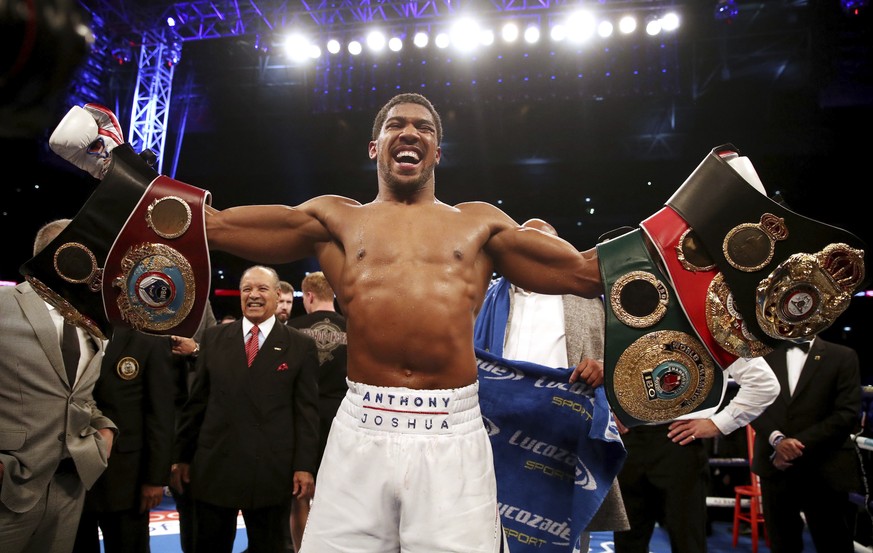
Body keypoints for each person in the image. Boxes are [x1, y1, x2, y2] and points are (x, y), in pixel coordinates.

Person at [45, 92, 866, 552]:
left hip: (453, 431)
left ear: (438, 151)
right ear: (374, 147)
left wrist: (712, 208)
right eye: (395, 126)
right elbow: (215, 226)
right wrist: (110, 166)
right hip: (360, 429)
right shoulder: (330, 219)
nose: (409, 134)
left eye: (425, 129)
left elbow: (589, 272)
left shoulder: (481, 224)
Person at [473, 217, 629, 551]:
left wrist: (606, 370)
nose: (539, 254)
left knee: (568, 532)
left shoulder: (591, 298)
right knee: (487, 534)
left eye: (547, 247)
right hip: (497, 433)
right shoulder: (483, 297)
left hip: (566, 431)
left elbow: (626, 357)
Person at [170, 265, 320, 553]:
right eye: (247, 289)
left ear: (277, 294)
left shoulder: (301, 345)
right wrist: (181, 456)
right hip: (215, 468)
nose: (253, 295)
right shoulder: (214, 338)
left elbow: (306, 413)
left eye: (262, 289)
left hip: (270, 472)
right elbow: (197, 404)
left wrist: (304, 466)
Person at [0, 219, 116, 553]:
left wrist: (104, 431)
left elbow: (79, 396)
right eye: (91, 254)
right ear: (59, 254)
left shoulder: (93, 324)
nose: (100, 266)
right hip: (10, 484)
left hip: (69, 487)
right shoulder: (4, 304)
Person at [611, 355, 780, 553]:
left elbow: (764, 383)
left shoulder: (716, 333)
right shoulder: (619, 332)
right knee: (627, 543)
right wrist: (607, 407)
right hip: (628, 439)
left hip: (680, 442)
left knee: (688, 542)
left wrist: (718, 423)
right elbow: (598, 368)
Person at [752, 336, 862, 553]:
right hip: (776, 467)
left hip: (825, 467)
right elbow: (750, 404)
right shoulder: (761, 356)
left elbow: (847, 413)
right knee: (782, 545)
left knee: (834, 544)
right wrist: (777, 440)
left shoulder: (842, 356)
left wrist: (794, 445)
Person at [72, 327, 176, 553]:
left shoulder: (149, 340)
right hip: (71, 473)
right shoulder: (67, 333)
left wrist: (155, 478)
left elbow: (160, 414)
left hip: (127, 478)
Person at [286, 270, 349, 551]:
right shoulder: (353, 327)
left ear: (308, 296)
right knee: (342, 496)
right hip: (343, 419)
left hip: (300, 419)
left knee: (299, 494)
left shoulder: (292, 328)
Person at [169, 301, 218, 553]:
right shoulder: (144, 301)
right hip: (164, 416)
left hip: (199, 423)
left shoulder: (200, 301)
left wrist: (195, 349)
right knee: (186, 508)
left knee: (200, 510)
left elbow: (214, 351)